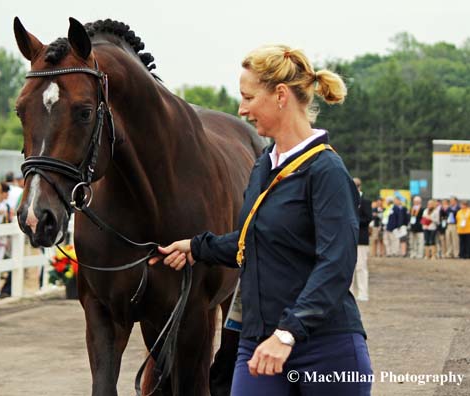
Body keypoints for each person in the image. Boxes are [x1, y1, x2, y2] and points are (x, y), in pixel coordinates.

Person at [149, 44, 372, 396]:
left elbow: (336, 264)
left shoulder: (326, 170)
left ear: (280, 95)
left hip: (325, 349)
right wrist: (197, 247)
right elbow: (253, 239)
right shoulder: (263, 165)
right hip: (257, 346)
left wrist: (288, 333)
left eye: (248, 97)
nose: (241, 109)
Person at [351, 177, 372, 301]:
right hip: (350, 238)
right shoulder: (348, 200)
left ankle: (363, 292)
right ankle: (351, 292)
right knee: (350, 267)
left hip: (361, 238)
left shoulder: (365, 202)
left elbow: (368, 218)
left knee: (361, 266)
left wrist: (353, 221)